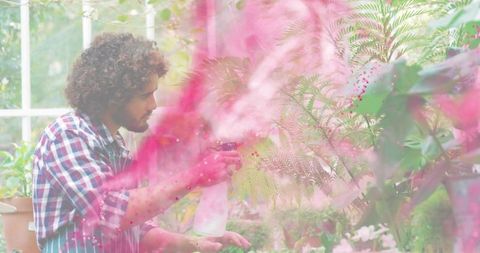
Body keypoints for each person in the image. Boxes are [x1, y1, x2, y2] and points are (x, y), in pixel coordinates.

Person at [32, 33, 251, 253]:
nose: (153, 104)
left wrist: (197, 244)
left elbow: (137, 231)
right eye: (145, 95)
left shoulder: (115, 146)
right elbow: (111, 212)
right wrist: (197, 174)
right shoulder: (68, 136)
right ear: (113, 95)